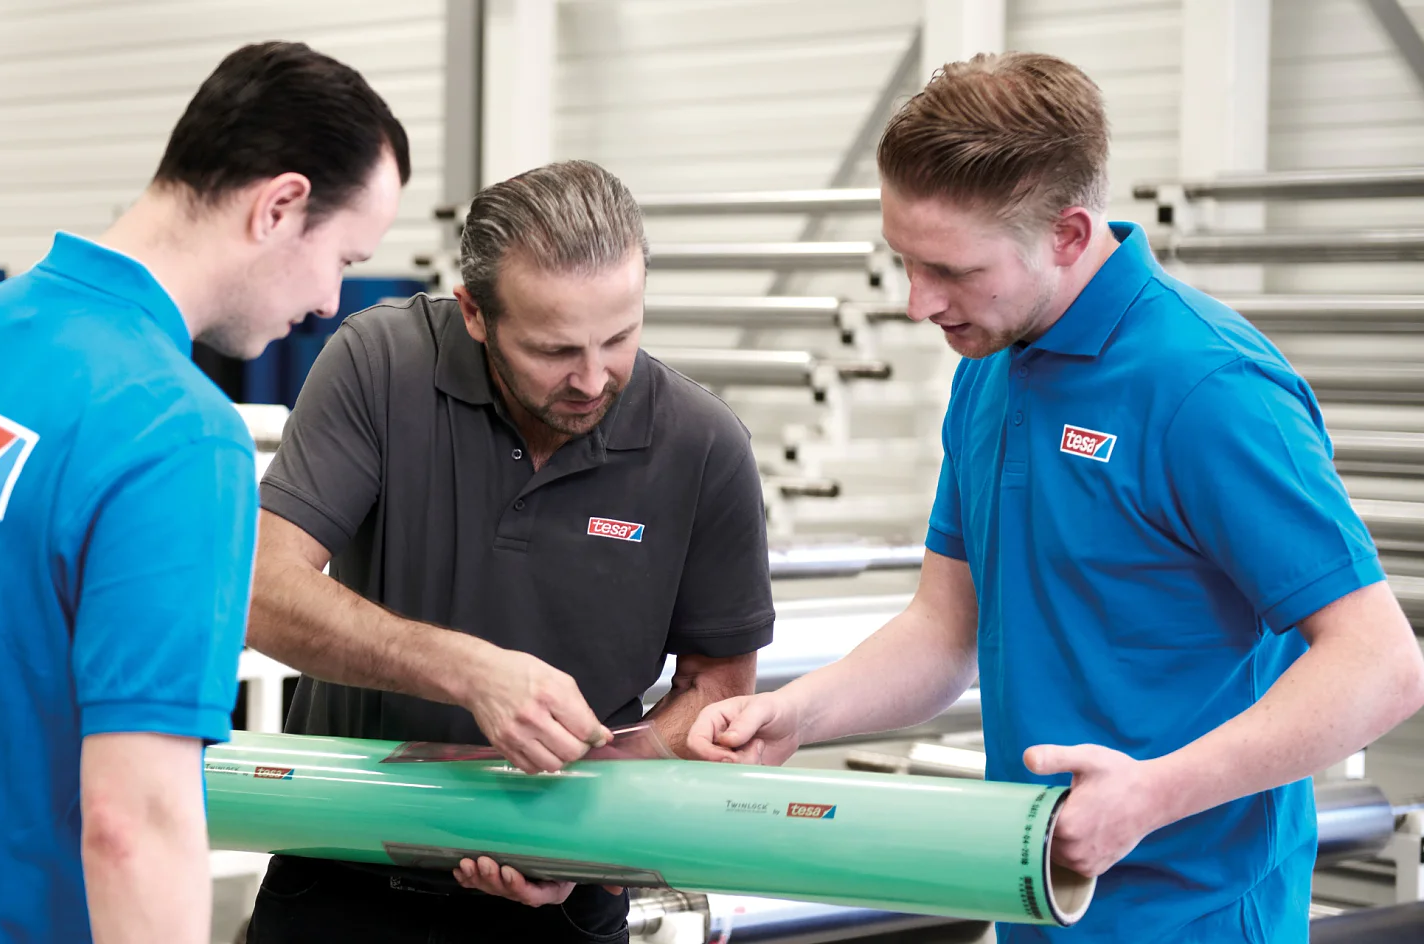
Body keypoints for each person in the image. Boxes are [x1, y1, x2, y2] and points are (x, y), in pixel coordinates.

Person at [687, 51, 1424, 941]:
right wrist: (798, 712)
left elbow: (1380, 663)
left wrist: (1152, 796)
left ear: (1069, 235)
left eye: (953, 271)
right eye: (904, 263)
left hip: (1194, 915)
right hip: (1034, 899)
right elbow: (944, 628)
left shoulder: (1208, 389)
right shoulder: (993, 367)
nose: (921, 303)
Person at [0, 42, 407, 944]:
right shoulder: (178, 433)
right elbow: (132, 825)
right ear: (281, 205)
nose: (332, 301)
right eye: (344, 256)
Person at [244, 159, 774, 943]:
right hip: (344, 875)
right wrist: (469, 671)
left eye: (620, 338)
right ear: (475, 313)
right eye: (554, 350)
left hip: (570, 897)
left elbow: (718, 692)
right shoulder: (380, 367)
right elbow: (259, 588)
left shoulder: (703, 446)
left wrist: (578, 824)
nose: (593, 380)